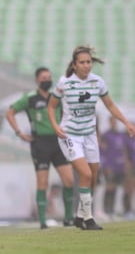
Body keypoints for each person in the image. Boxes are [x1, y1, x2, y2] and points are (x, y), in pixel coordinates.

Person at [47, 45, 135, 230]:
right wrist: (55, 126)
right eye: (82, 62)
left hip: (89, 134)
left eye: (89, 62)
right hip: (70, 135)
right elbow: (51, 106)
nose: (87, 65)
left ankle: (80, 216)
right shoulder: (65, 82)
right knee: (86, 174)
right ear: (74, 65)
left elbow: (110, 105)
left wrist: (127, 123)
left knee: (94, 177)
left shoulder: (97, 82)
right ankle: (88, 219)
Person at [6, 67, 75, 229]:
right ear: (37, 80)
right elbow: (10, 112)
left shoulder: (55, 97)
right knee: (42, 182)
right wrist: (19, 132)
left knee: (69, 180)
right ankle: (43, 221)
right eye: (44, 77)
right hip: (40, 144)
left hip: (58, 142)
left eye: (49, 77)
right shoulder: (30, 98)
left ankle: (68, 218)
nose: (47, 80)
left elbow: (66, 115)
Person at [100, 116, 127, 217]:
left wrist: (125, 163)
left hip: (119, 166)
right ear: (109, 122)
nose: (114, 123)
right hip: (110, 166)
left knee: (117, 188)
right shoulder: (106, 135)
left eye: (115, 121)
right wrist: (106, 165)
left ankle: (114, 210)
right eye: (112, 121)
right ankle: (106, 210)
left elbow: (123, 150)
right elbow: (103, 151)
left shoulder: (120, 135)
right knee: (109, 187)